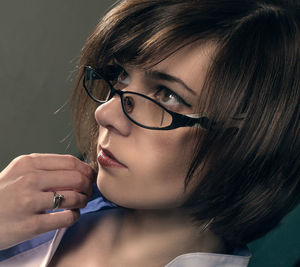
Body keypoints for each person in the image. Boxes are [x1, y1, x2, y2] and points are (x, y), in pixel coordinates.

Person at [0, 0, 299, 266]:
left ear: (249, 144)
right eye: (121, 75)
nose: (104, 113)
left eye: (167, 95)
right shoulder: (23, 208)